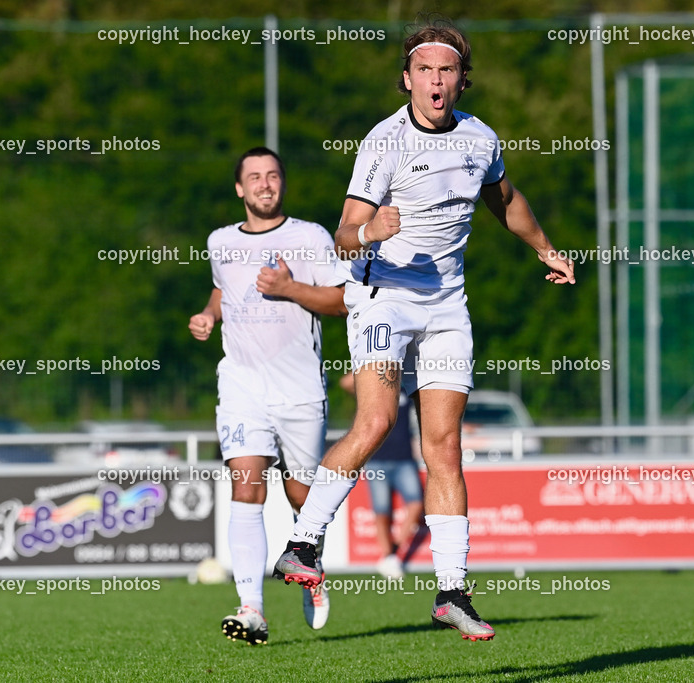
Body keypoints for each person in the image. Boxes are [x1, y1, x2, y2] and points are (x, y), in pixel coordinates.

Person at [274, 21, 575, 641]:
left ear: (462, 80)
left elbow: (506, 199)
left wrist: (544, 248)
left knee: (445, 446)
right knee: (377, 421)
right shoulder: (383, 142)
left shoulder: (479, 138)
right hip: (382, 298)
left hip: (446, 307)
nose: (437, 82)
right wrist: (369, 234)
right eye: (426, 71)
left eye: (448, 71)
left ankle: (452, 592)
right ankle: (302, 545)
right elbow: (342, 234)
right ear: (407, 79)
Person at [189, 147, 347, 645]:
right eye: (254, 177)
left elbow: (342, 300)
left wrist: (290, 288)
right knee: (246, 484)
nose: (264, 184)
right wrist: (210, 314)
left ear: (282, 184)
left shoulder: (309, 237)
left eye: (273, 176)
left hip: (299, 387)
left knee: (301, 494)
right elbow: (223, 288)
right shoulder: (219, 241)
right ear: (239, 189)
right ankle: (251, 607)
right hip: (241, 384)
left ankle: (309, 567)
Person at [339, 372, 424, 579]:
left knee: (416, 504)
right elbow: (346, 382)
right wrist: (378, 366)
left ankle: (393, 553)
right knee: (382, 512)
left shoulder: (406, 388)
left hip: (404, 459)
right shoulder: (372, 390)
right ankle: (389, 557)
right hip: (376, 458)